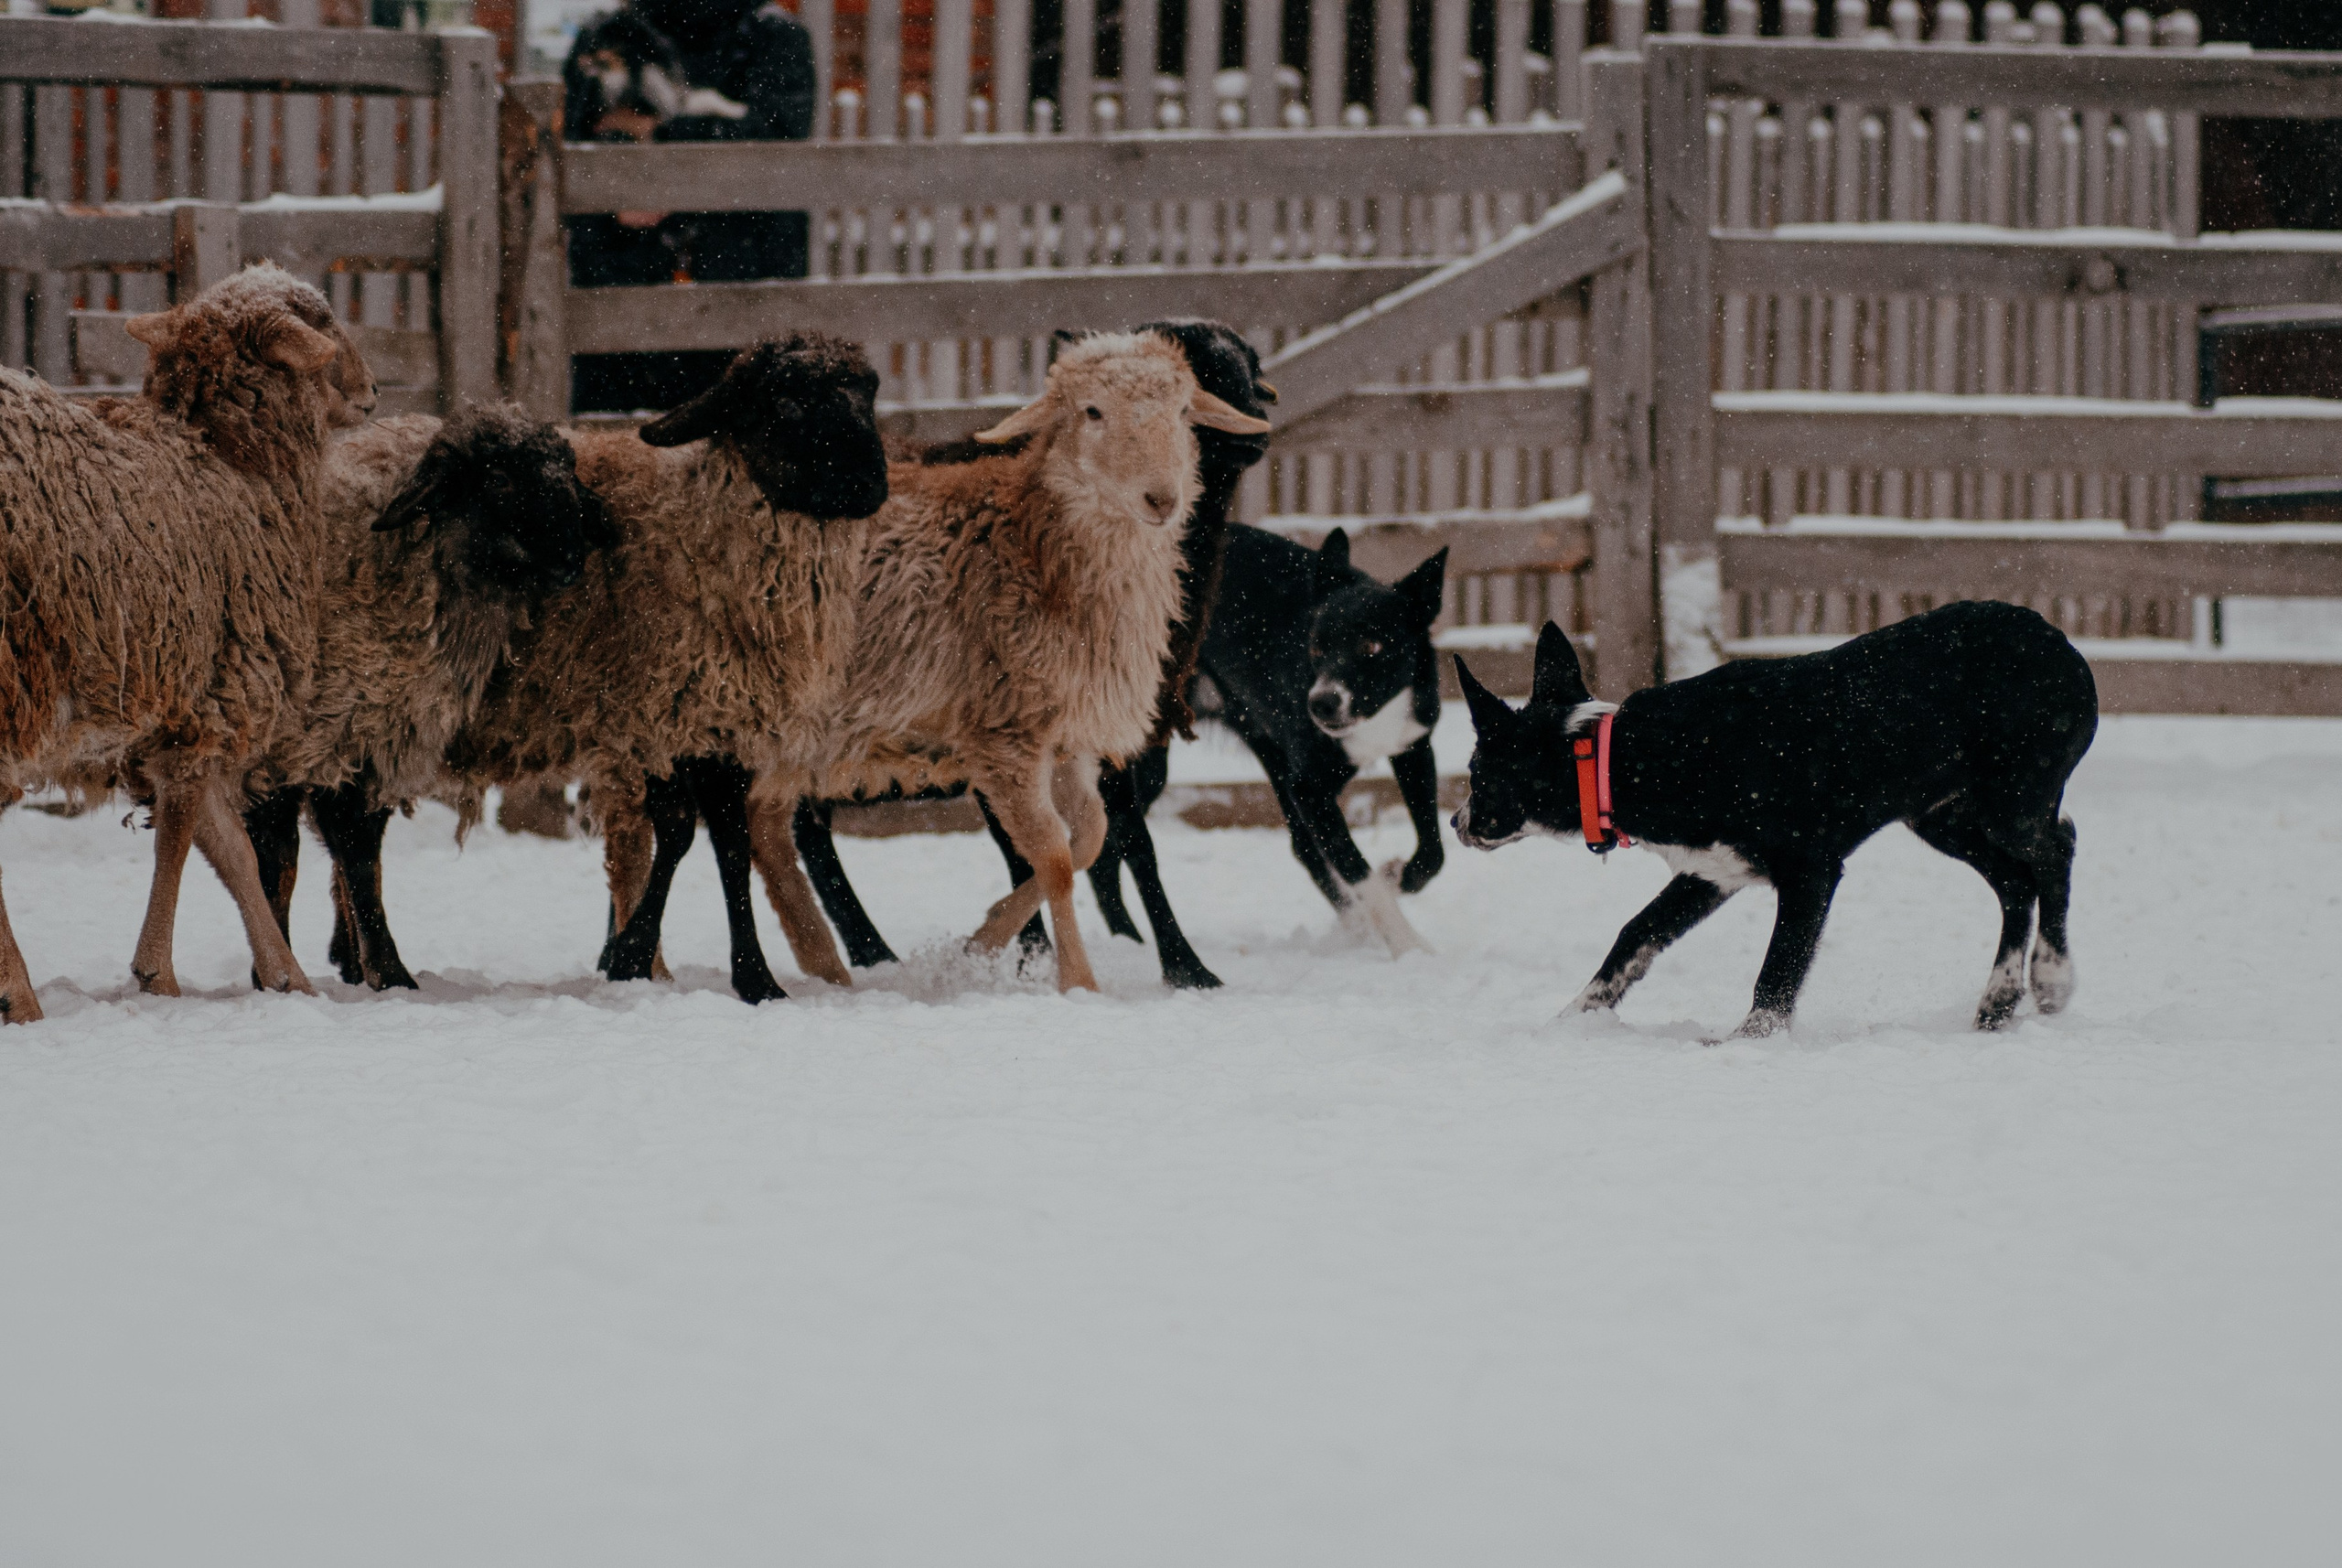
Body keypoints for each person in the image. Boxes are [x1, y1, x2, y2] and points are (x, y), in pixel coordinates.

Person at [562, 0, 819, 413]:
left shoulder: (770, 35)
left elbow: (775, 144)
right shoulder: (609, 35)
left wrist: (658, 136)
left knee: (735, 430)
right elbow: (575, 139)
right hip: (625, 281)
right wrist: (616, 191)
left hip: (739, 280)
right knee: (616, 439)